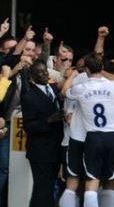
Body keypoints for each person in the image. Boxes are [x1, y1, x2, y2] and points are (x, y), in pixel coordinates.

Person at [66, 53, 114, 207]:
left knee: (92, 183)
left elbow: (65, 93)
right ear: (102, 67)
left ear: (87, 70)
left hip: (93, 137)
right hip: (112, 137)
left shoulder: (80, 88)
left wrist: (72, 75)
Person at [21, 59, 64, 207]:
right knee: (42, 188)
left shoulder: (56, 89)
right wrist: (49, 120)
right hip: (40, 150)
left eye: (45, 71)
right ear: (32, 77)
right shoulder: (29, 97)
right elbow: (29, 126)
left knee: (51, 187)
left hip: (57, 148)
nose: (44, 74)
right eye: (39, 72)